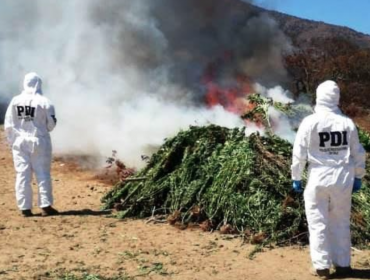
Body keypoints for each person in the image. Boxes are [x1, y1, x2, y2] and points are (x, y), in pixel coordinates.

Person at [291, 80, 366, 279]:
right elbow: (358, 152)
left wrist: (296, 176)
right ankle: (343, 265)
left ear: (318, 96)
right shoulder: (347, 123)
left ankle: (321, 267)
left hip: (318, 177)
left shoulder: (310, 122)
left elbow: (299, 152)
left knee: (317, 221)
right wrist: (358, 175)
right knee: (341, 221)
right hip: (343, 177)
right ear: (337, 98)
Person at [4, 72, 59, 217]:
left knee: (22, 175)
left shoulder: (15, 101)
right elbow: (52, 124)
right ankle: (46, 206)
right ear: (38, 84)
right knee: (42, 174)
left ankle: (25, 208)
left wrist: (12, 141)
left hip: (19, 142)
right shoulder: (45, 102)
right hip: (39, 140)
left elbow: (8, 124)